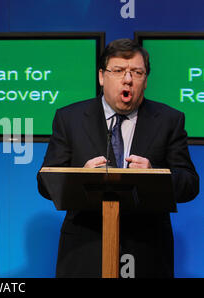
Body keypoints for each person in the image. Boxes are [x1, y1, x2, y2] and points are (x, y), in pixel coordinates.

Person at [37, 38, 199, 278]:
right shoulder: (69, 118)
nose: (128, 79)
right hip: (85, 249)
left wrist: (156, 175)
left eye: (137, 72)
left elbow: (190, 184)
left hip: (147, 252)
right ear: (102, 77)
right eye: (119, 71)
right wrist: (79, 176)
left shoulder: (169, 120)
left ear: (145, 81)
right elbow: (45, 183)